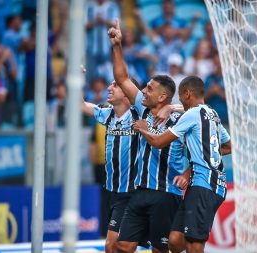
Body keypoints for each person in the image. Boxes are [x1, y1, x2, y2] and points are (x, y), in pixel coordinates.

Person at [108, 20, 189, 253]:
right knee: (122, 246)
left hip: (166, 194)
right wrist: (117, 46)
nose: (143, 90)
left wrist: (173, 108)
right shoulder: (142, 110)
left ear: (163, 97)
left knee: (159, 250)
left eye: (149, 89)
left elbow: (202, 111)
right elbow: (123, 78)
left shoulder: (181, 120)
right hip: (139, 190)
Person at [133, 76, 232, 253]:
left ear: (187, 94)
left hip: (205, 184)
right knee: (175, 240)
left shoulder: (192, 114)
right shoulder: (212, 114)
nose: (180, 101)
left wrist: (142, 129)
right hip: (203, 184)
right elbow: (229, 146)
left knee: (194, 245)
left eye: (180, 96)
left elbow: (159, 142)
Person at [82, 78, 142, 253]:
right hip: (116, 192)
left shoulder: (140, 114)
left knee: (118, 246)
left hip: (137, 192)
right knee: (113, 247)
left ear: (127, 92)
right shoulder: (107, 114)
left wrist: (170, 107)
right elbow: (81, 104)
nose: (109, 87)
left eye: (116, 85)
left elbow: (173, 108)